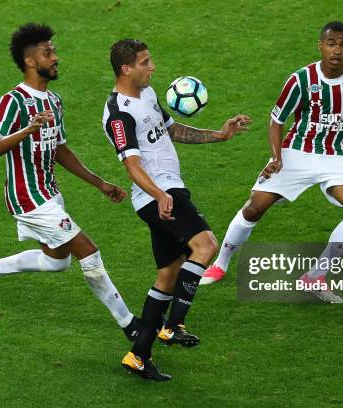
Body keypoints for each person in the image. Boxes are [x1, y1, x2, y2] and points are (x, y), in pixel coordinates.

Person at [0, 23, 140, 342]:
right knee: (88, 252)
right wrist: (27, 130)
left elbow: (59, 149)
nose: (56, 57)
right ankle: (130, 323)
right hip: (27, 197)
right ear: (31, 61)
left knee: (56, 261)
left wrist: (99, 183)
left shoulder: (54, 101)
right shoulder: (13, 102)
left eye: (54, 51)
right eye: (48, 53)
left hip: (49, 193)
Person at [201, 21, 343, 303]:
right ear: (320, 45)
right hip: (296, 152)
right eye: (331, 44)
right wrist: (277, 157)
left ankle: (316, 275)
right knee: (255, 207)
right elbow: (276, 121)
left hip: (336, 157)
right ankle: (220, 263)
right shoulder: (301, 80)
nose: (337, 50)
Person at [103, 39, 251, 380]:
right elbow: (131, 164)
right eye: (145, 62)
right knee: (205, 245)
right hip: (159, 196)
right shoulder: (118, 113)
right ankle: (173, 325)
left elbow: (172, 130)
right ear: (126, 69)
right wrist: (159, 194)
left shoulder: (150, 95)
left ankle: (138, 356)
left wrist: (219, 135)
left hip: (166, 192)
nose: (152, 67)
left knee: (168, 274)